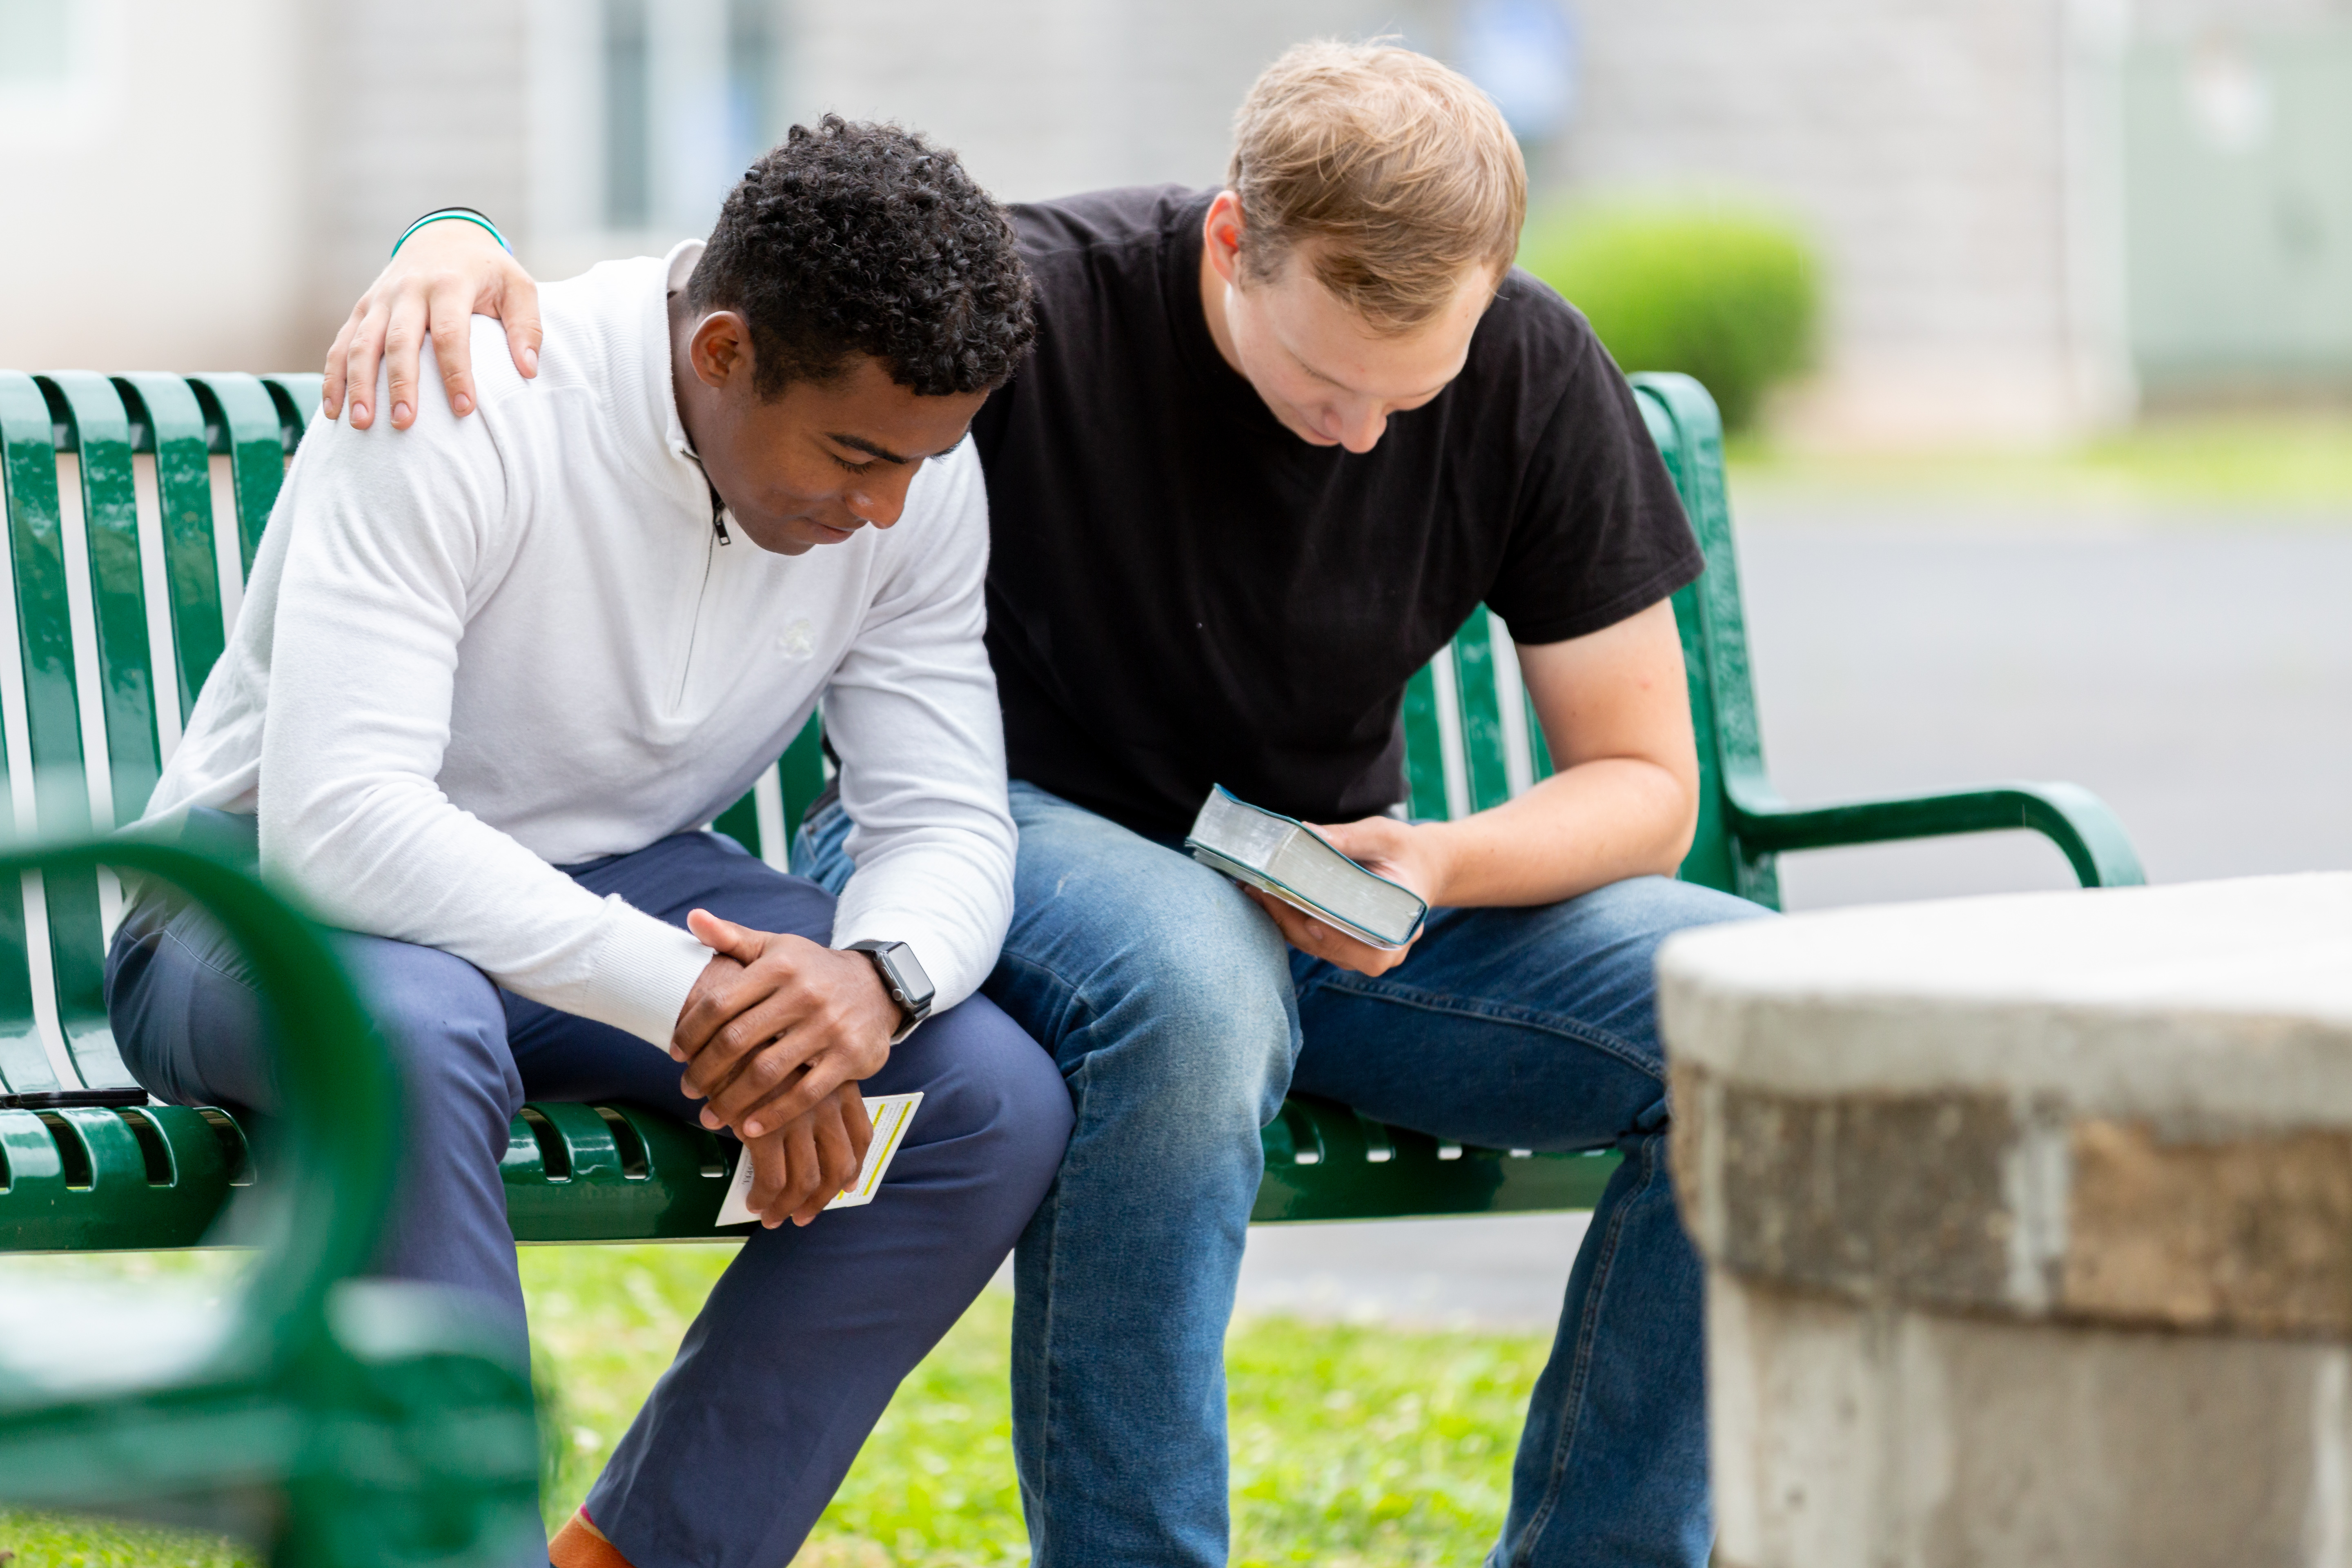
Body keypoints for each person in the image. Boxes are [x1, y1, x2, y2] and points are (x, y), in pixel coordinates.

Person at [323, 40, 1772, 1568]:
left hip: (1341, 901)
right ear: (1231, 241)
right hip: (1022, 854)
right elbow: (758, 305)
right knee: (1194, 984)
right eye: (1327, 381)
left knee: (1742, 1021)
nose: (1363, 434)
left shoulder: (1538, 371)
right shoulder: (1031, 311)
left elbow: (1645, 788)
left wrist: (1439, 860)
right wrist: (456, 238)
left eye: (1414, 394)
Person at [109, 118, 1072, 1568]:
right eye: (859, 455)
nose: (886, 508)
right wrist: (693, 999)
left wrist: (869, 982)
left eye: (919, 467)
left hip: (611, 891)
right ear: (726, 352)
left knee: (979, 1095)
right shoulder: (457, 394)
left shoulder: (916, 484)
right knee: (415, 1028)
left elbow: (941, 812)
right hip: (260, 911)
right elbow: (343, 826)